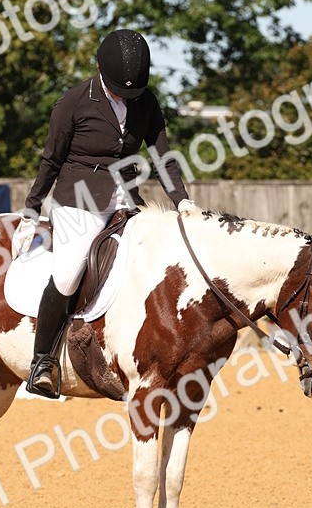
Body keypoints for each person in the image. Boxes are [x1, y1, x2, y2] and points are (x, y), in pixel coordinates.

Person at [13, 29, 201, 397]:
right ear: (99, 68)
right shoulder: (73, 102)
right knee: (68, 275)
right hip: (78, 199)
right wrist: (31, 210)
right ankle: (43, 362)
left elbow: (162, 155)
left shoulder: (146, 101)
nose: (125, 97)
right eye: (119, 89)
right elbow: (51, 160)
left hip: (127, 196)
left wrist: (182, 200)